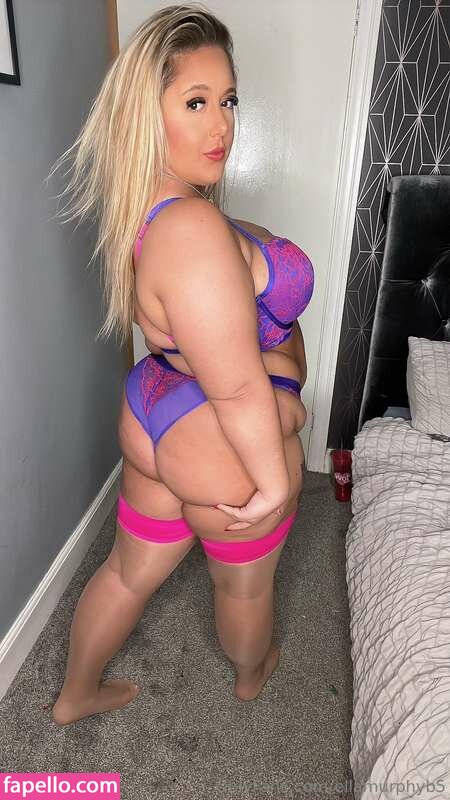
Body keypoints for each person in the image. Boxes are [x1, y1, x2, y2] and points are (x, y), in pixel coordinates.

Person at [47, 2, 314, 726]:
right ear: (147, 114)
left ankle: (76, 694)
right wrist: (272, 477)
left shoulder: (153, 211)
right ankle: (254, 672)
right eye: (195, 102)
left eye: (228, 100)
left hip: (156, 404)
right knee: (245, 590)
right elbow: (236, 388)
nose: (220, 124)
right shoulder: (192, 229)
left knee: (128, 572)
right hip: (219, 433)